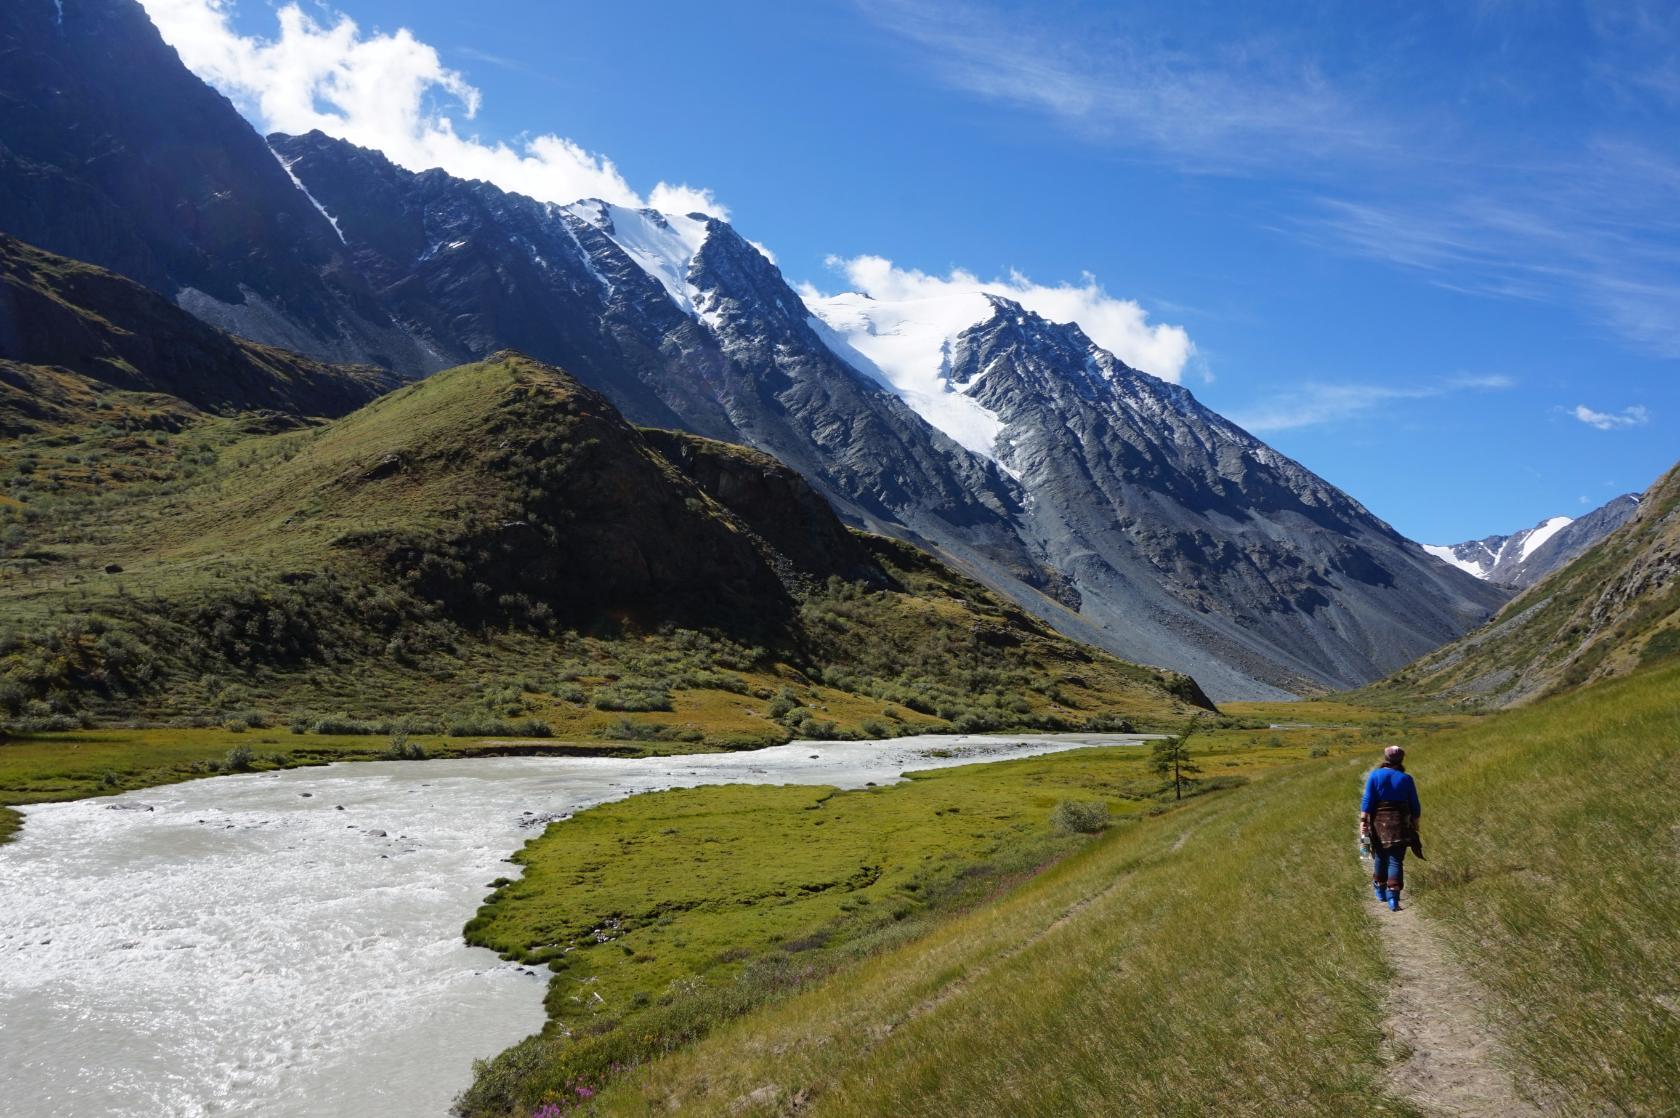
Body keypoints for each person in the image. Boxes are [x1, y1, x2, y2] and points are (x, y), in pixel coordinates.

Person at [1360, 745, 1420, 912]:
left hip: (1379, 822)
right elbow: (1415, 805)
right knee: (1395, 859)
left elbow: (1367, 800)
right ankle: (1393, 897)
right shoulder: (1406, 779)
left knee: (1380, 856)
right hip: (1400, 822)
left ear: (1385, 758)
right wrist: (1416, 823)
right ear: (1401, 760)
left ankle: (1380, 889)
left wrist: (1363, 820)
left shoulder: (1375, 775)